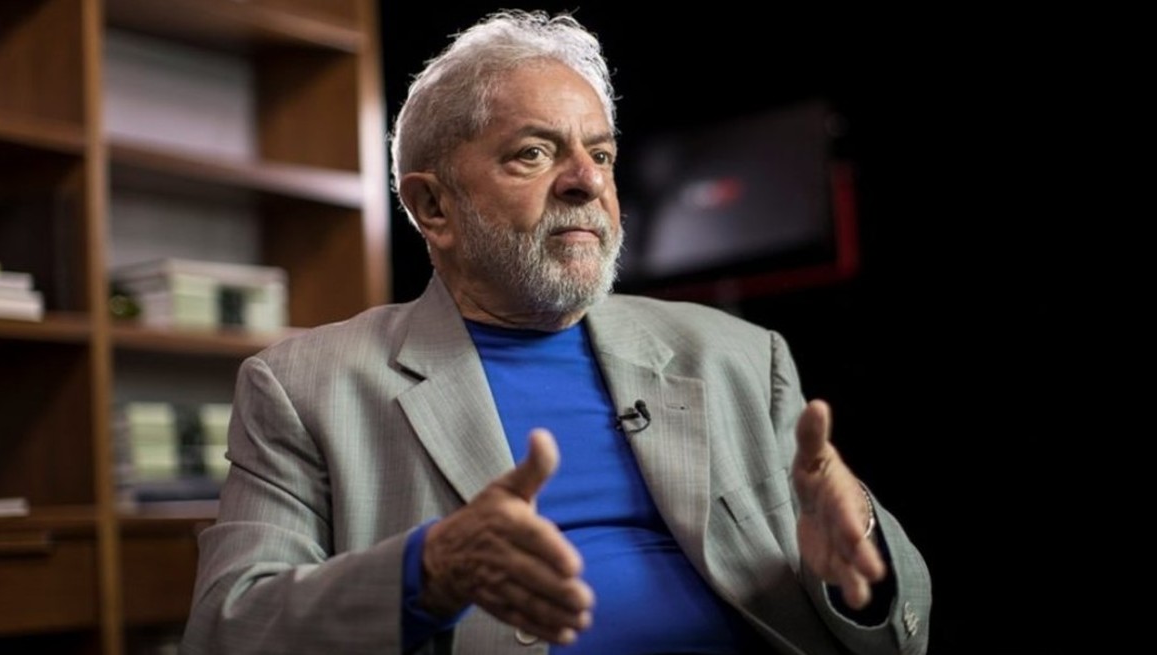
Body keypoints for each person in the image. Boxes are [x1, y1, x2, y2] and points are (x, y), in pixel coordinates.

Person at [180, 9, 931, 655]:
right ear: (433, 208)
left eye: (600, 153)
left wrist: (857, 555)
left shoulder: (738, 355)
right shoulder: (305, 387)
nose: (587, 180)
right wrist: (427, 572)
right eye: (534, 153)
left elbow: (898, 631)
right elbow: (227, 628)